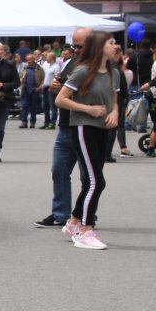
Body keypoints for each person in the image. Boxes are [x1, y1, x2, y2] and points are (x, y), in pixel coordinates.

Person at [54, 30, 120, 250]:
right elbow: (60, 99)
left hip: (103, 129)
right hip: (83, 127)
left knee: (92, 180)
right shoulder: (82, 71)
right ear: (99, 47)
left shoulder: (113, 73)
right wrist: (87, 109)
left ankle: (73, 222)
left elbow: (114, 101)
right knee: (96, 182)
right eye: (111, 43)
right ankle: (85, 230)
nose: (115, 46)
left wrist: (115, 112)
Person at [35, 27, 91, 229]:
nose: (76, 49)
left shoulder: (100, 66)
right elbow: (60, 89)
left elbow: (99, 95)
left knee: (88, 177)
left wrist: (68, 92)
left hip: (86, 127)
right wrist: (58, 87)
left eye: (80, 46)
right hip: (66, 125)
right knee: (58, 171)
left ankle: (86, 216)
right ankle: (60, 214)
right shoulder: (71, 63)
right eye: (74, 46)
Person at [19, 52, 40, 128]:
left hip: (35, 90)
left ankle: (32, 122)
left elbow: (43, 79)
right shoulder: (24, 68)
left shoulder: (39, 69)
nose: (29, 61)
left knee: (33, 107)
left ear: (34, 60)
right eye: (27, 60)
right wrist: (21, 85)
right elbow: (21, 77)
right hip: (25, 90)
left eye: (30, 59)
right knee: (24, 106)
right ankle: (24, 122)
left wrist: (39, 87)